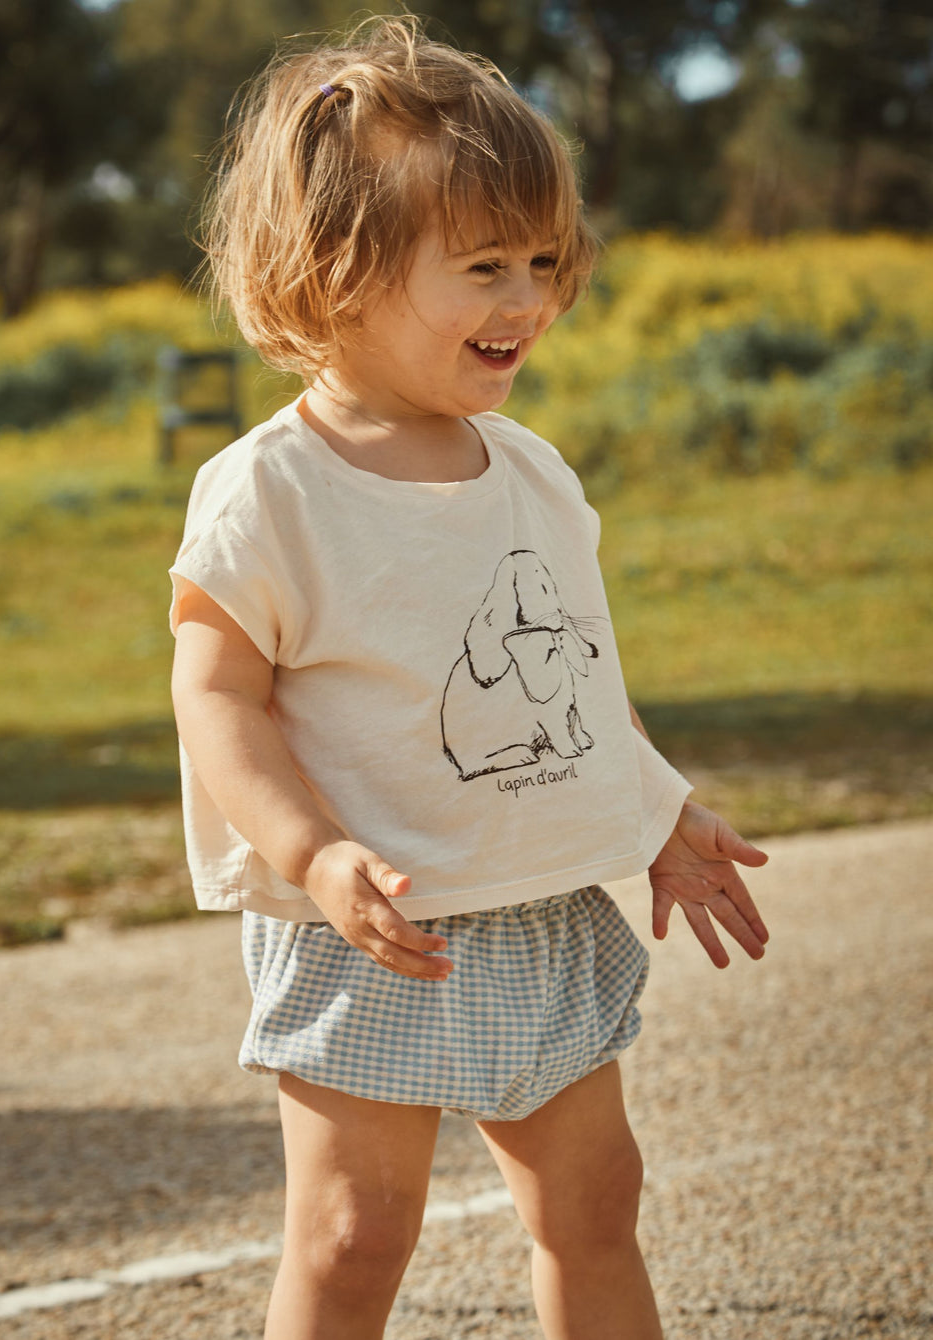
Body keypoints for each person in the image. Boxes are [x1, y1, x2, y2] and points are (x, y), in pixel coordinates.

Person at [170, 16, 770, 1339]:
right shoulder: (270, 490)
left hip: (540, 903)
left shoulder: (533, 474)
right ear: (336, 269)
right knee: (352, 1236)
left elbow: (581, 680)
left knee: (595, 1203)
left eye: (545, 262)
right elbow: (215, 696)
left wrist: (658, 807)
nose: (529, 300)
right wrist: (313, 854)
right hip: (376, 924)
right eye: (485, 265)